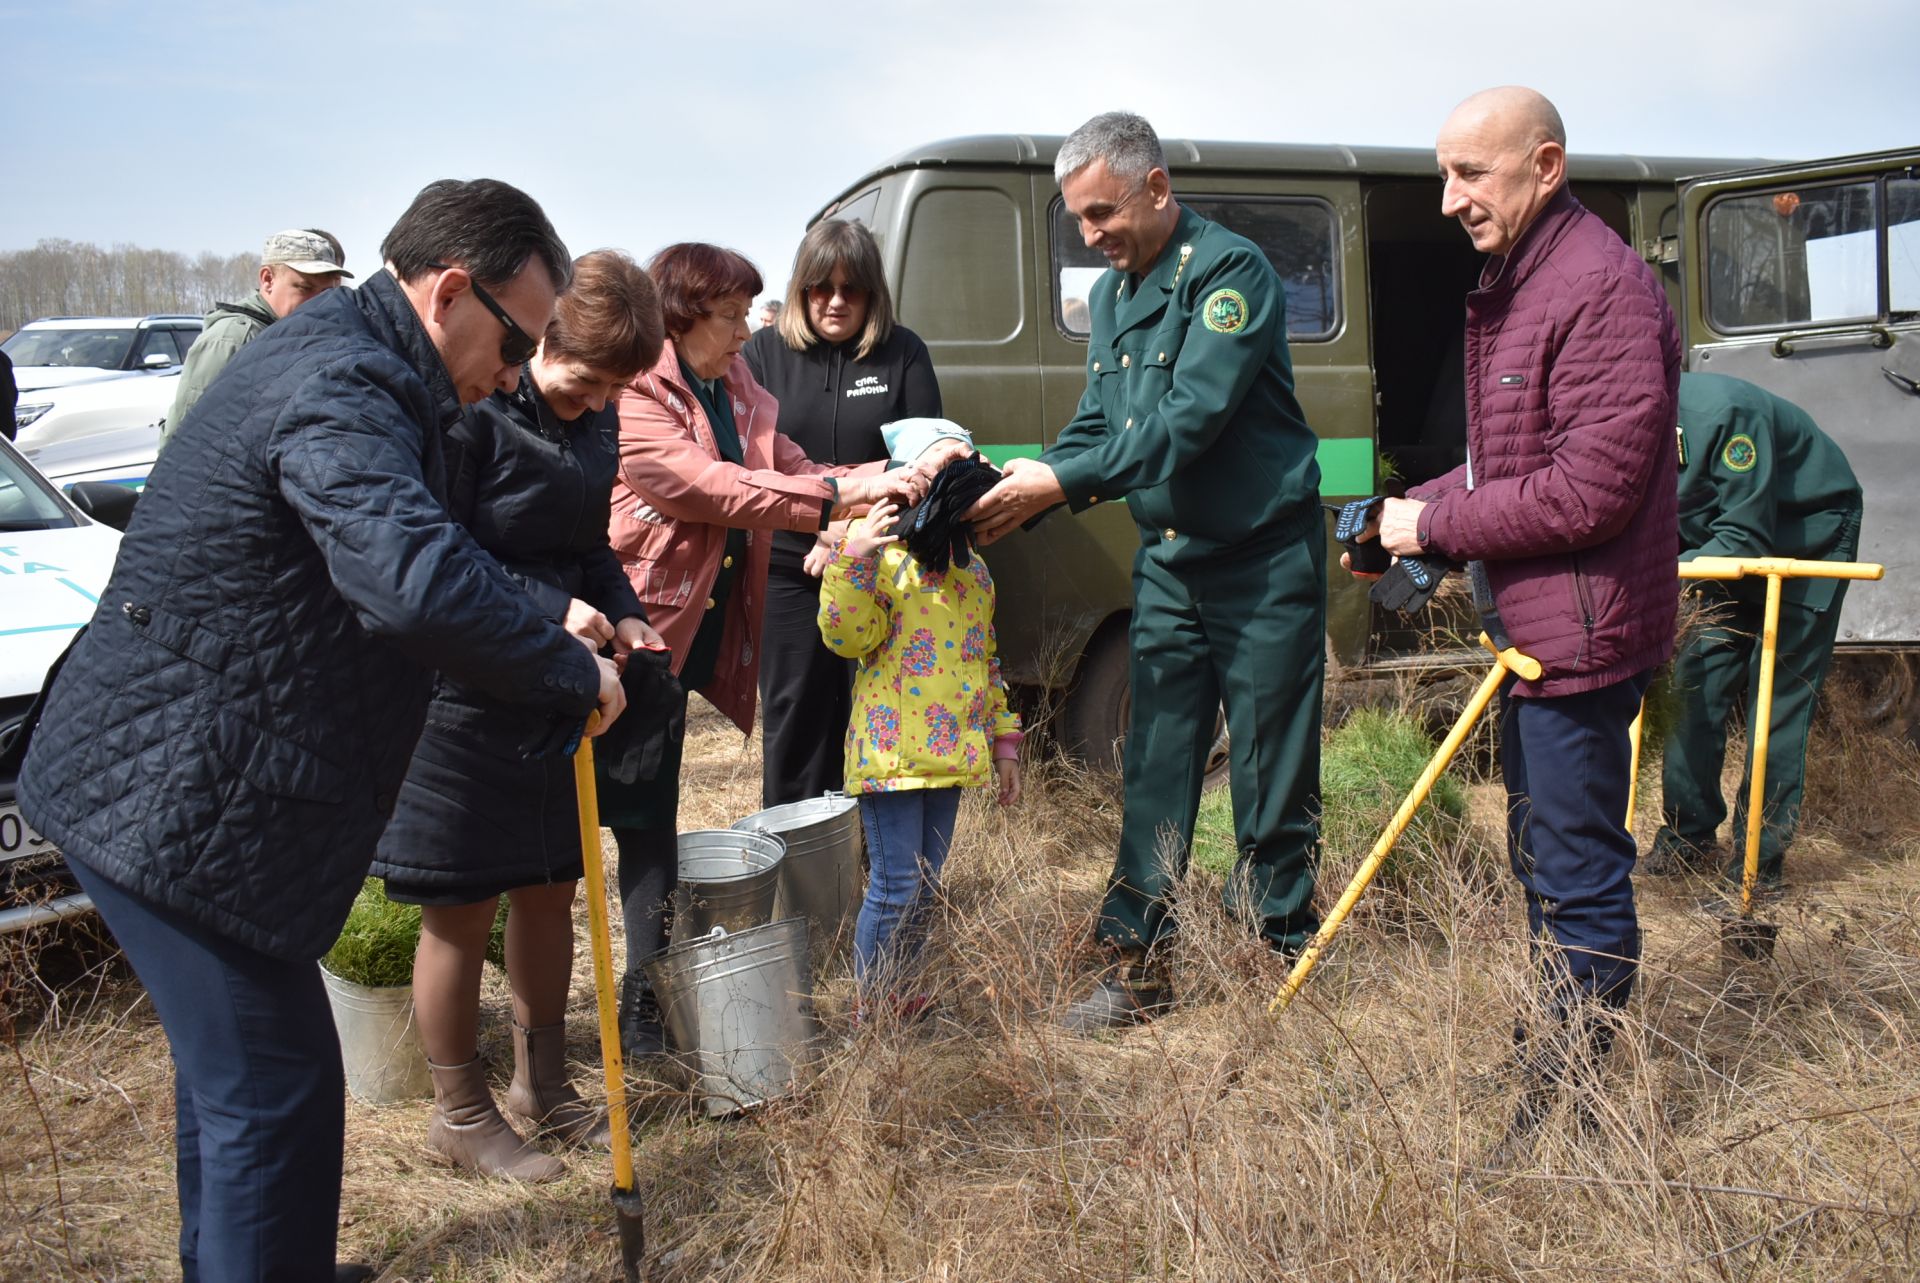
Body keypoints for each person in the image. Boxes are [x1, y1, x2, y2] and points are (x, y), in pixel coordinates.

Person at [15, 179, 626, 1283]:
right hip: (166, 789)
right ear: (451, 291)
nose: (515, 370)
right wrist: (560, 665)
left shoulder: (384, 370)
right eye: (516, 338)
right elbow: (410, 576)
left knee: (243, 1083)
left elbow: (431, 548)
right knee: (275, 1082)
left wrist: (546, 620)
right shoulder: (347, 378)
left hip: (197, 786)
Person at [1357, 87, 1680, 1154]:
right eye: (1443, 173)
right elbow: (1510, 465)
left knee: (1579, 870)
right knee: (1539, 852)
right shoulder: (1521, 283)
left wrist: (1434, 524)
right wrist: (1406, 515)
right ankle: (1556, 1040)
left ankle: (1575, 1111)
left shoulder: (1601, 289)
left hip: (1583, 637)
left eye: (1472, 174)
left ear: (1545, 165)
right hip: (1537, 628)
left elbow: (1591, 491)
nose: (1448, 199)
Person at [968, 111, 1326, 1032]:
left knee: (1267, 767)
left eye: (1100, 214)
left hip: (1261, 562)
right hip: (1169, 565)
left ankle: (1274, 961)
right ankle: (1139, 966)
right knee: (1156, 766)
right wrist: (1035, 477)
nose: (1090, 236)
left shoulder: (1230, 275)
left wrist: (1065, 479)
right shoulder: (1117, 297)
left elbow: (1188, 420)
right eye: (1077, 221)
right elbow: (1102, 424)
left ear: (1156, 188)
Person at [370, 250, 666, 1182]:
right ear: (541, 340)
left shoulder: (599, 419)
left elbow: (592, 546)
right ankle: (459, 1109)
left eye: (613, 392)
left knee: (549, 885)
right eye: (584, 384)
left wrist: (620, 608)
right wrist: (548, 610)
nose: (595, 405)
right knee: (460, 906)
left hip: (553, 696)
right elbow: (435, 553)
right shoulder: (474, 417)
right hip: (460, 696)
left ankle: (546, 1083)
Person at [602, 242, 923, 1057]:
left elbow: (789, 465)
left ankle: (645, 1004)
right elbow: (708, 485)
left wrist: (889, 475)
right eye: (734, 315)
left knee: (648, 823)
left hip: (674, 646)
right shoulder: (638, 391)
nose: (750, 330)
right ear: (684, 316)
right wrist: (837, 497)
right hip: (623, 629)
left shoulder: (732, 381)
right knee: (569, 830)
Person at [817, 431, 1020, 1017]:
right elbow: (846, 636)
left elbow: (986, 663)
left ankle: (899, 992)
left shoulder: (974, 575)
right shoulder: (885, 562)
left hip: (951, 758)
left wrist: (1003, 740)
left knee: (924, 886)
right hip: (892, 759)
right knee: (896, 883)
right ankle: (872, 1004)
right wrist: (850, 564)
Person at [745, 219, 944, 807]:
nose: (834, 301)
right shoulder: (761, 354)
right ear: (801, 288)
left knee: (876, 718)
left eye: (850, 288)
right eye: (819, 288)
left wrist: (845, 532)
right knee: (796, 718)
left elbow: (923, 464)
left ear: (872, 293)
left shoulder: (903, 352)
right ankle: (797, 869)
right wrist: (817, 526)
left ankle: (872, 872)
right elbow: (755, 468)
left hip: (881, 568)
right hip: (789, 568)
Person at [1646, 372, 1863, 891]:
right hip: (1718, 542)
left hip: (1808, 537)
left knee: (1778, 700)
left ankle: (1757, 866)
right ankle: (1686, 840)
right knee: (1693, 686)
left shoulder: (1722, 414)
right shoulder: (1617, 422)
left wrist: (1654, 573)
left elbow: (1745, 536)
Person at [165, 227, 353, 438]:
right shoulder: (231, 340)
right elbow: (183, 434)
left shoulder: (299, 334)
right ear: (267, 279)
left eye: (326, 292)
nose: (318, 301)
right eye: (304, 288)